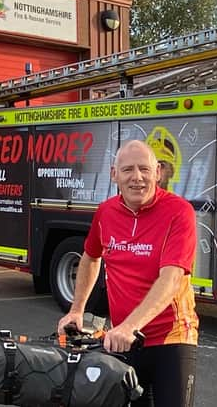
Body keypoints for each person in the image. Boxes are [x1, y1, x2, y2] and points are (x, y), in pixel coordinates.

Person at [57, 140, 199, 407]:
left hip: (172, 337)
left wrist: (129, 327)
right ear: (114, 175)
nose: (137, 178)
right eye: (128, 170)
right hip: (123, 341)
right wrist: (77, 310)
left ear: (158, 172)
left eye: (145, 169)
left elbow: (171, 278)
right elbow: (90, 257)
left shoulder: (179, 212)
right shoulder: (106, 212)